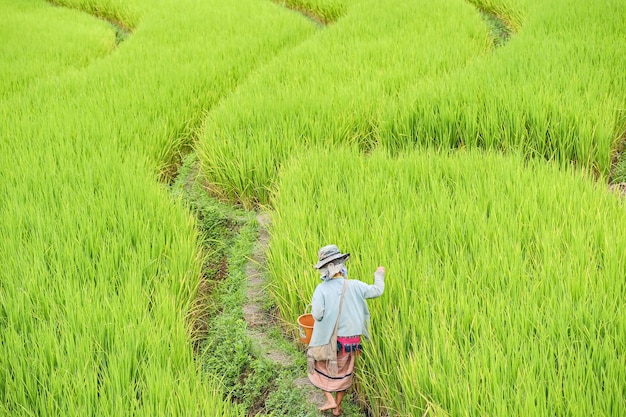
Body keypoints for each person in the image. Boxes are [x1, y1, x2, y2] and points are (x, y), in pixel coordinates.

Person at [307, 244, 385, 416]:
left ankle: (329, 399)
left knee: (319, 367)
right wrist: (379, 274)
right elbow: (377, 290)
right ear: (341, 265)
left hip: (329, 341)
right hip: (350, 343)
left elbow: (318, 315)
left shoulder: (321, 289)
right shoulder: (355, 285)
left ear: (325, 269)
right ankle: (337, 407)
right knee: (344, 373)